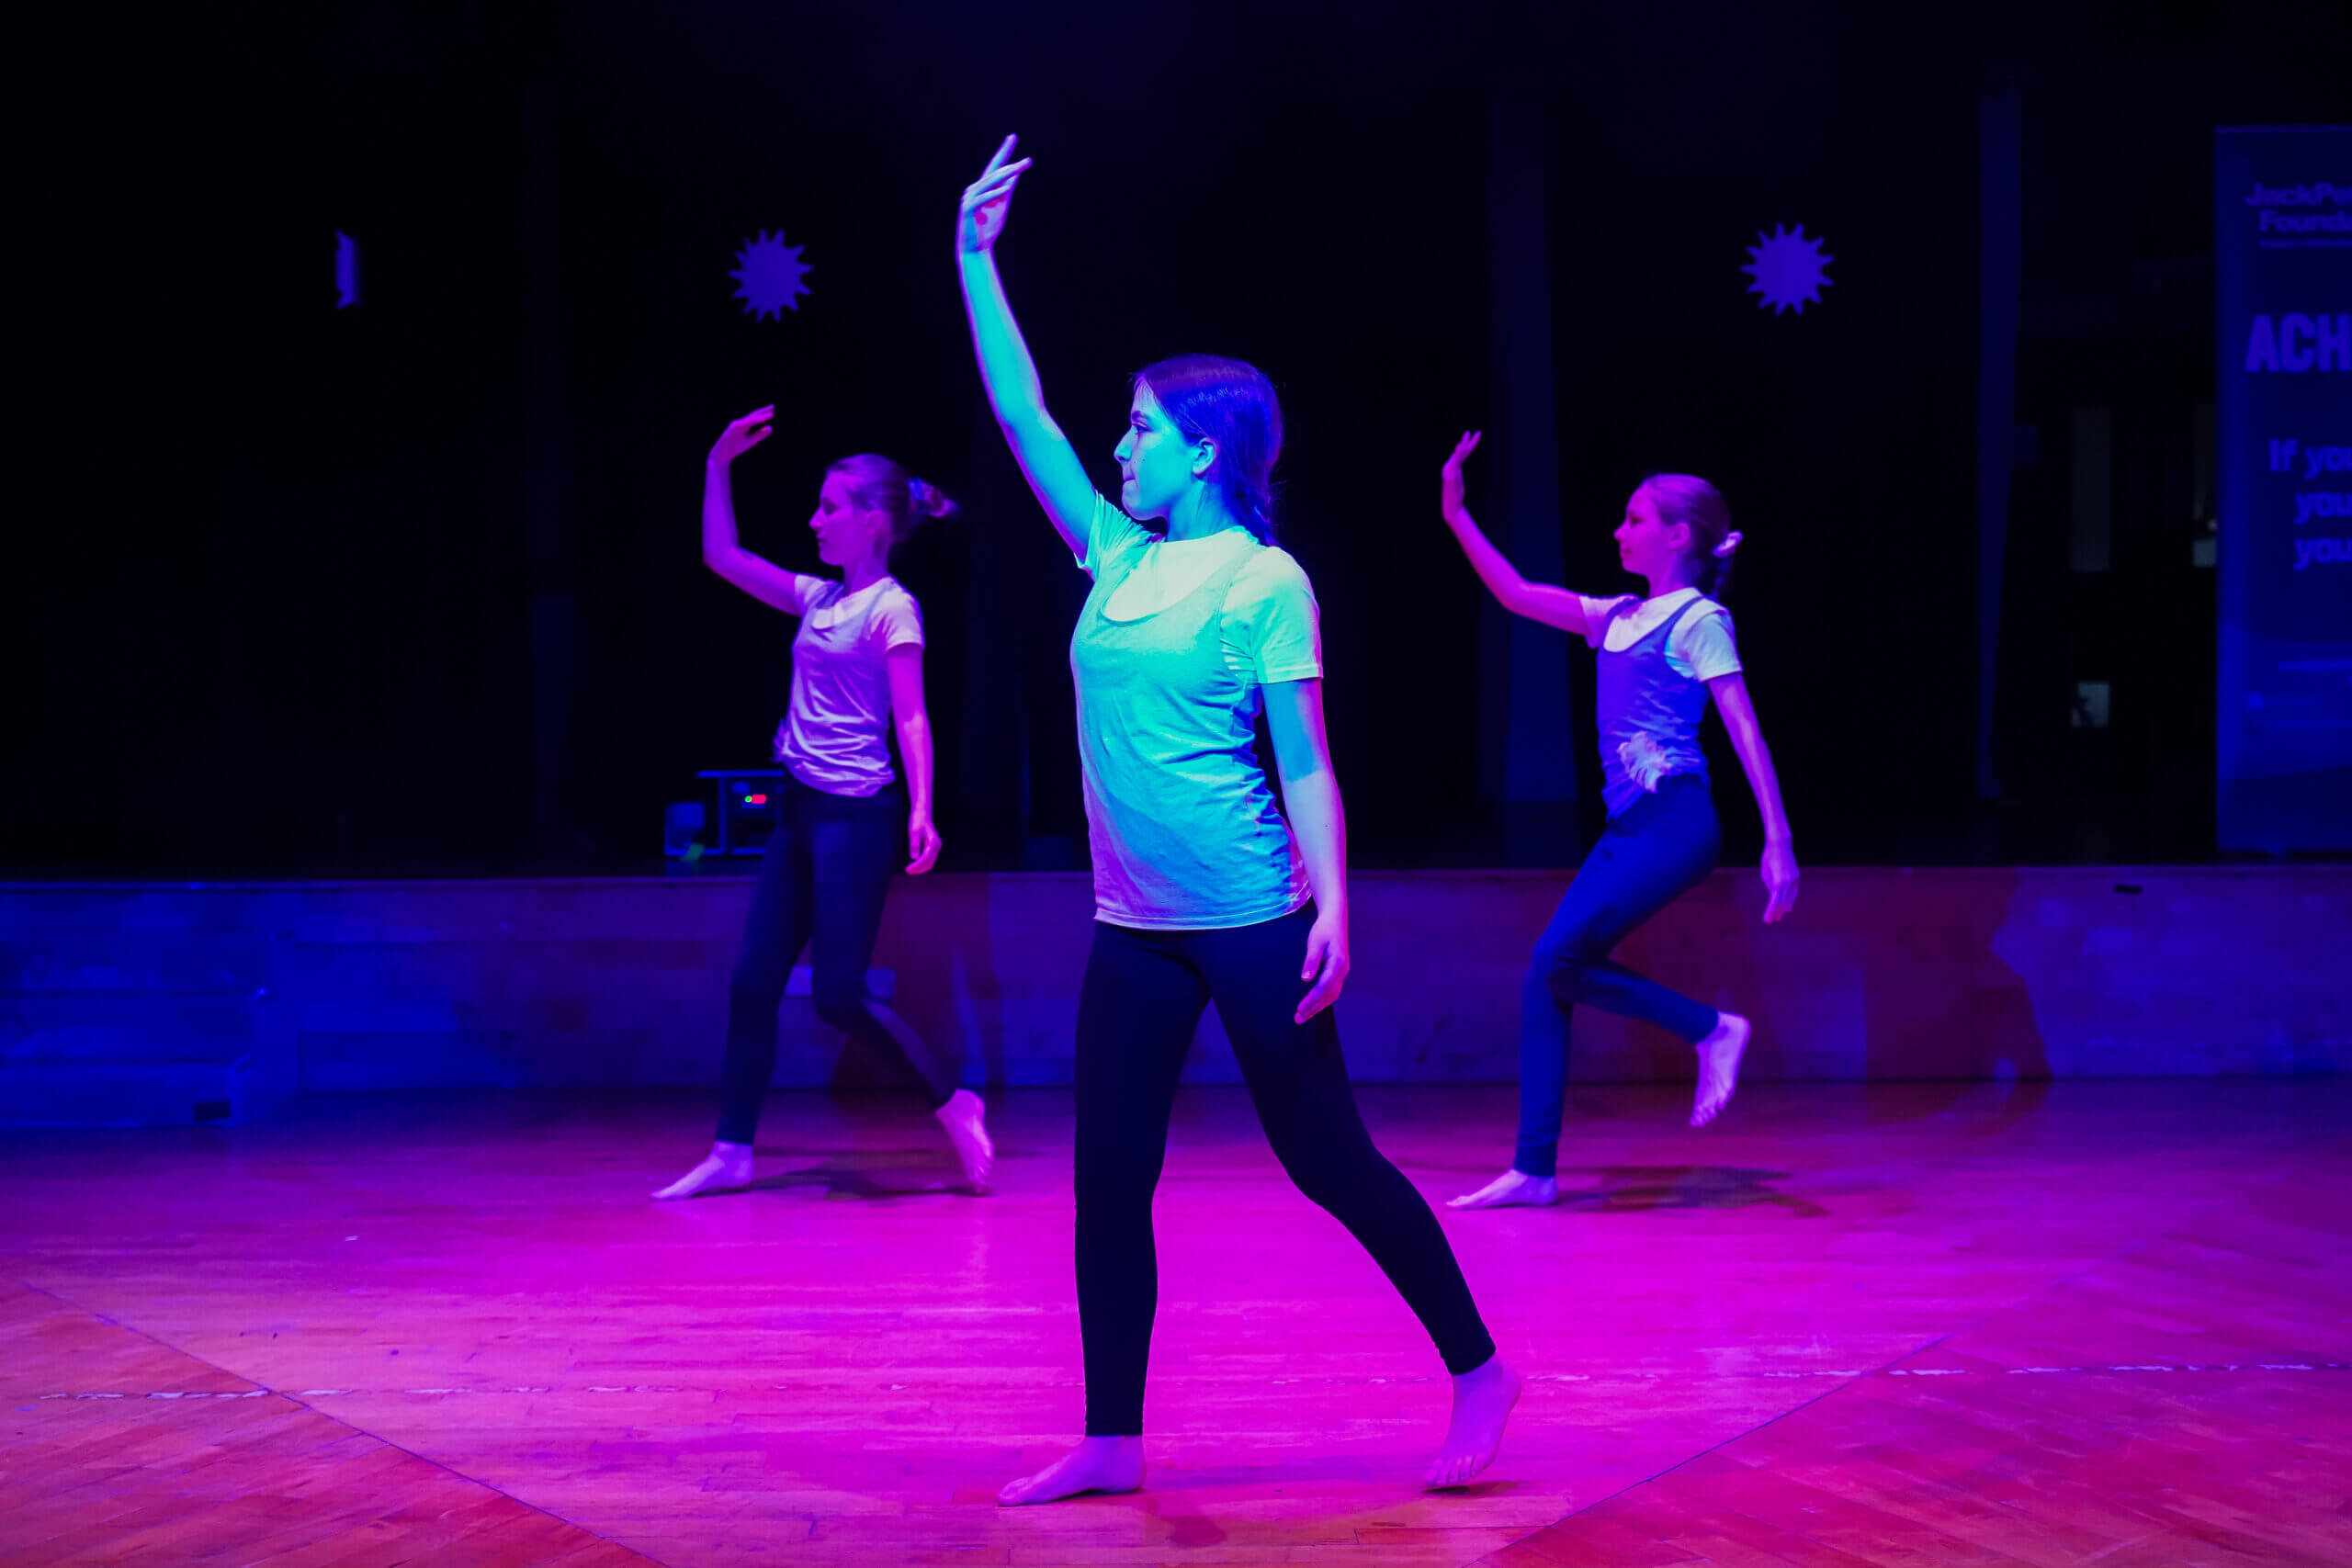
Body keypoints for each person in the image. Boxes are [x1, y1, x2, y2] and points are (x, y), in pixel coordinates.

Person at [956, 135, 1520, 1505]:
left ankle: (1480, 1367)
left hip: (1255, 915)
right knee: (1107, 1182)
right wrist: (973, 257)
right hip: (1132, 928)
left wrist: (1338, 905)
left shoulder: (1265, 580)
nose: (1118, 444)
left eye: (1140, 429)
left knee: (1328, 1158)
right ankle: (1111, 1438)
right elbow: (1025, 417)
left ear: (1203, 450)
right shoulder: (1113, 554)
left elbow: (1305, 760)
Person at [1435, 431, 1799, 1212]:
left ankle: (1710, 1029)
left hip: (1676, 822)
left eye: (1635, 520)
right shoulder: (1619, 615)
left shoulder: (1700, 619)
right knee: (1548, 971)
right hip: (1626, 829)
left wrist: (1779, 838)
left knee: (1556, 958)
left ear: (1679, 535)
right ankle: (1534, 1168)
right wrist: (1457, 515)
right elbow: (1516, 593)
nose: (1619, 530)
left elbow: (1744, 727)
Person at [653, 409, 993, 1201]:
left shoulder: (892, 609)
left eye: (829, 507)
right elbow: (722, 555)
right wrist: (716, 463)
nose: (814, 519)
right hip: (798, 813)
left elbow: (912, 715)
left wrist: (923, 808)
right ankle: (732, 1149)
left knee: (839, 993)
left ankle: (953, 1101)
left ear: (871, 521)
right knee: (751, 984)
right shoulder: (818, 599)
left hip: (855, 819)